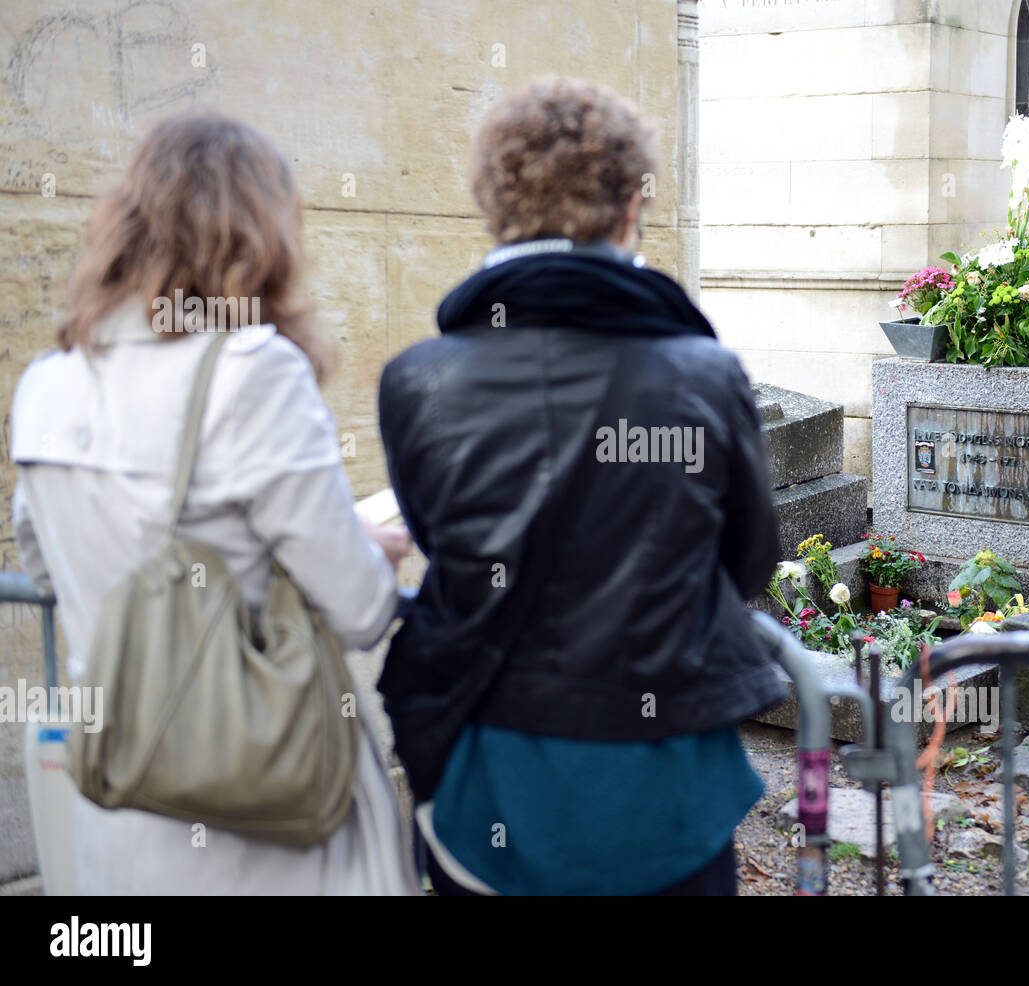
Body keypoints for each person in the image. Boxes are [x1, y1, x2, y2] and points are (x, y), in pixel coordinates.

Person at [377, 77, 786, 896]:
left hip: (490, 788)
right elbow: (748, 564)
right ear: (631, 207)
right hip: (665, 797)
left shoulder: (417, 379)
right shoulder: (704, 375)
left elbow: (444, 550)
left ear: (496, 207)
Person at [10, 113, 419, 895]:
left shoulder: (46, 385)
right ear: (264, 231)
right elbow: (362, 608)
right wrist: (369, 544)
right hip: (264, 822)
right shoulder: (252, 370)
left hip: (123, 819)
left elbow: (51, 568)